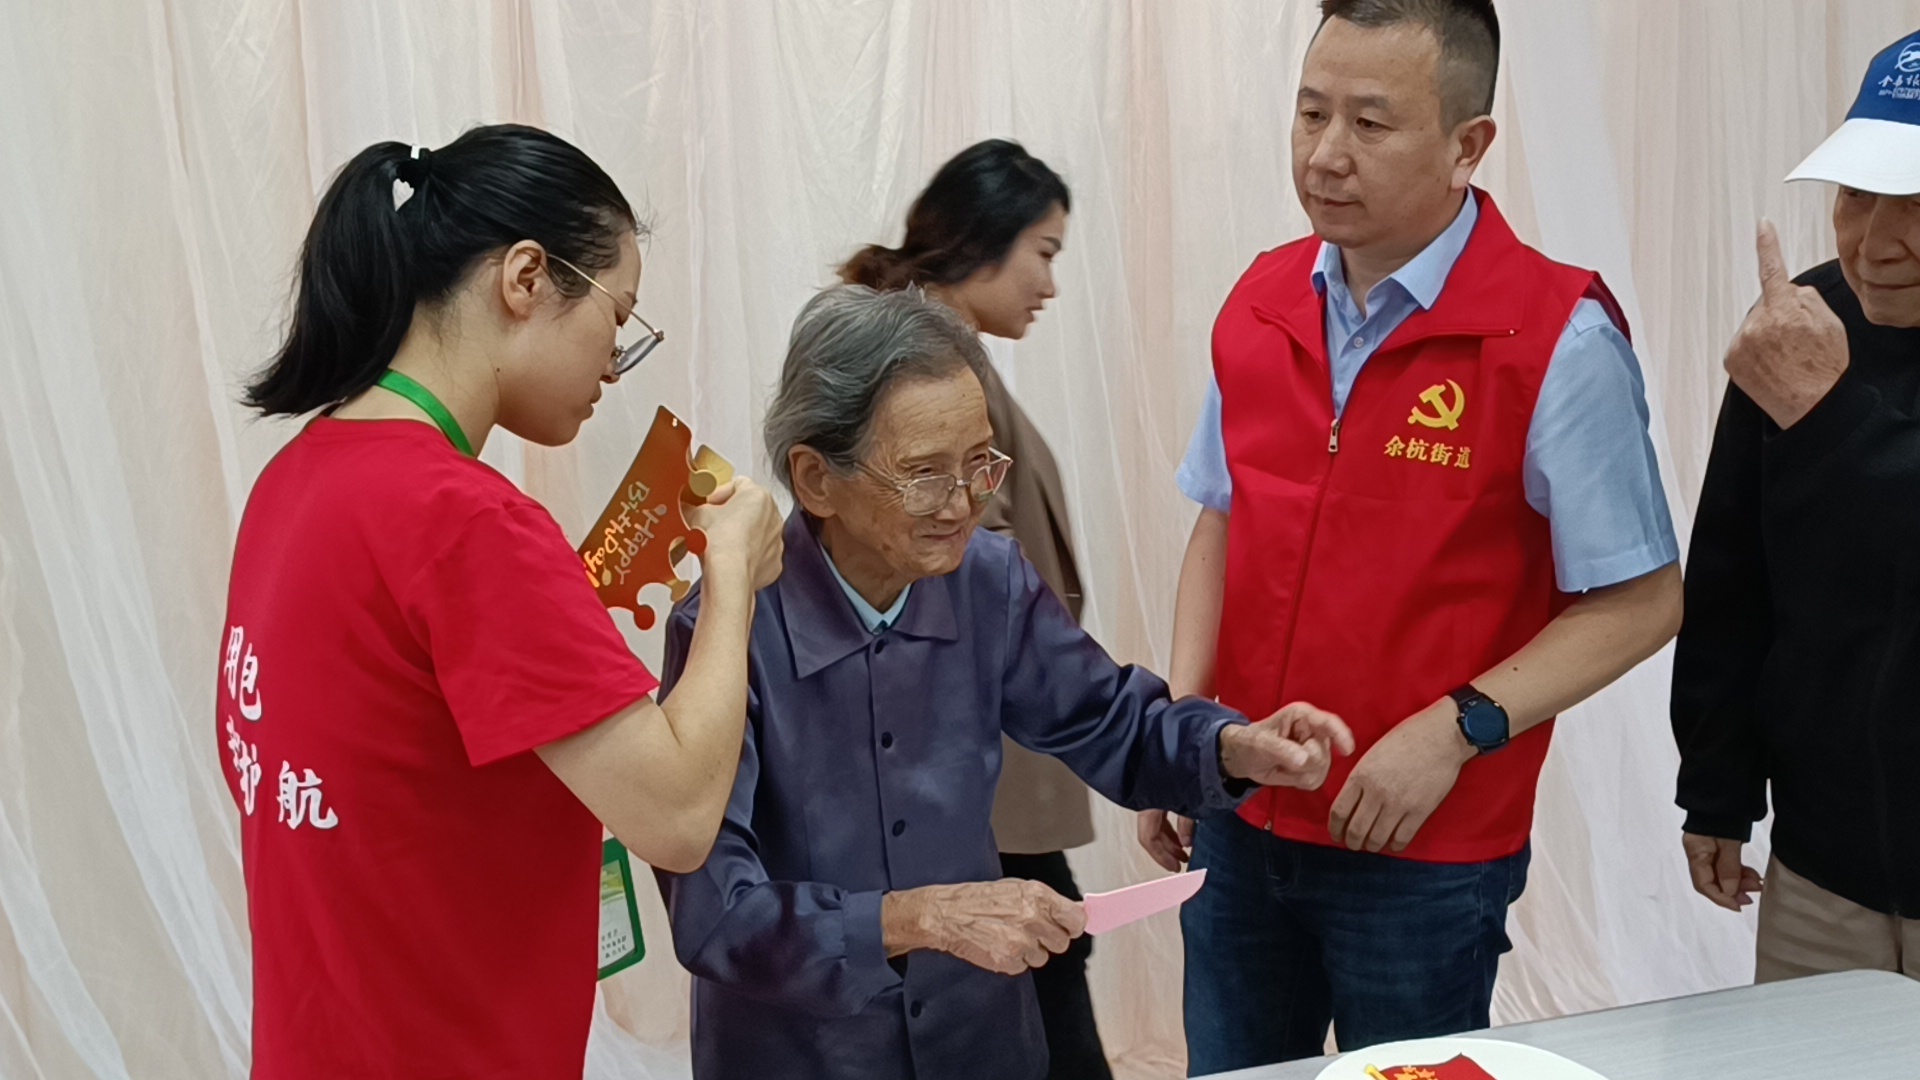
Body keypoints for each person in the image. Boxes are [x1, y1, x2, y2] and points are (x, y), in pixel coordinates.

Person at [1138, 0, 1685, 1069]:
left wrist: (1453, 731)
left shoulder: (1556, 338)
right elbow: (1223, 518)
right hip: (1242, 817)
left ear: (1467, 145)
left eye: (1371, 123)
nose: (1325, 155)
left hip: (1422, 849)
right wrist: (1182, 730)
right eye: (1311, 114)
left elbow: (1643, 599)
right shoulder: (1261, 300)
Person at [655, 285, 1354, 1080]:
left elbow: (1111, 721)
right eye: (924, 474)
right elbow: (716, 913)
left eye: (981, 462)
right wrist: (915, 919)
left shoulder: (987, 579)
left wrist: (1233, 746)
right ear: (816, 479)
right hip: (804, 1054)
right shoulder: (728, 629)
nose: (963, 504)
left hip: (979, 1041)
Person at [218, 124, 784, 1078]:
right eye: (617, 318)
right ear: (525, 278)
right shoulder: (467, 522)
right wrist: (731, 573)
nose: (613, 364)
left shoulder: (295, 479)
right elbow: (681, 818)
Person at [840, 138, 1108, 1079]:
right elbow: (949, 549)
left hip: (972, 734)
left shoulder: (937, 354)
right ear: (985, 239)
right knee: (1045, 983)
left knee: (1038, 975)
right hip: (963, 745)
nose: (1050, 284)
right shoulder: (922, 363)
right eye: (1044, 251)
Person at [1672, 28, 1920, 982]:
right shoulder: (1805, 324)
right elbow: (1732, 572)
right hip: (1822, 871)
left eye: (1918, 203)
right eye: (1857, 193)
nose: (1876, 243)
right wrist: (1717, 785)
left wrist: (1829, 419)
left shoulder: (1809, 369)